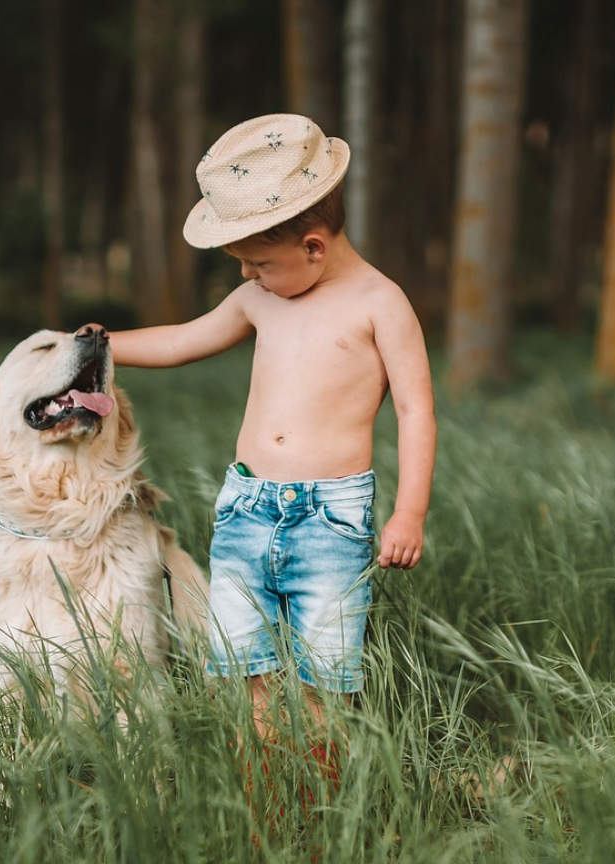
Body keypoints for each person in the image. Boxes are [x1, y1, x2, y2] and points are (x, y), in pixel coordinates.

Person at [109, 113, 436, 759]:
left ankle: (319, 808)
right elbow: (179, 341)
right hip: (246, 511)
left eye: (258, 263)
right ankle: (259, 803)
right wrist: (97, 346)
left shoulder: (380, 303)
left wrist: (410, 511)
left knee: (324, 677)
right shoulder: (263, 299)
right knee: (242, 669)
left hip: (330, 519)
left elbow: (416, 411)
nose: (246, 276)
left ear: (314, 246)